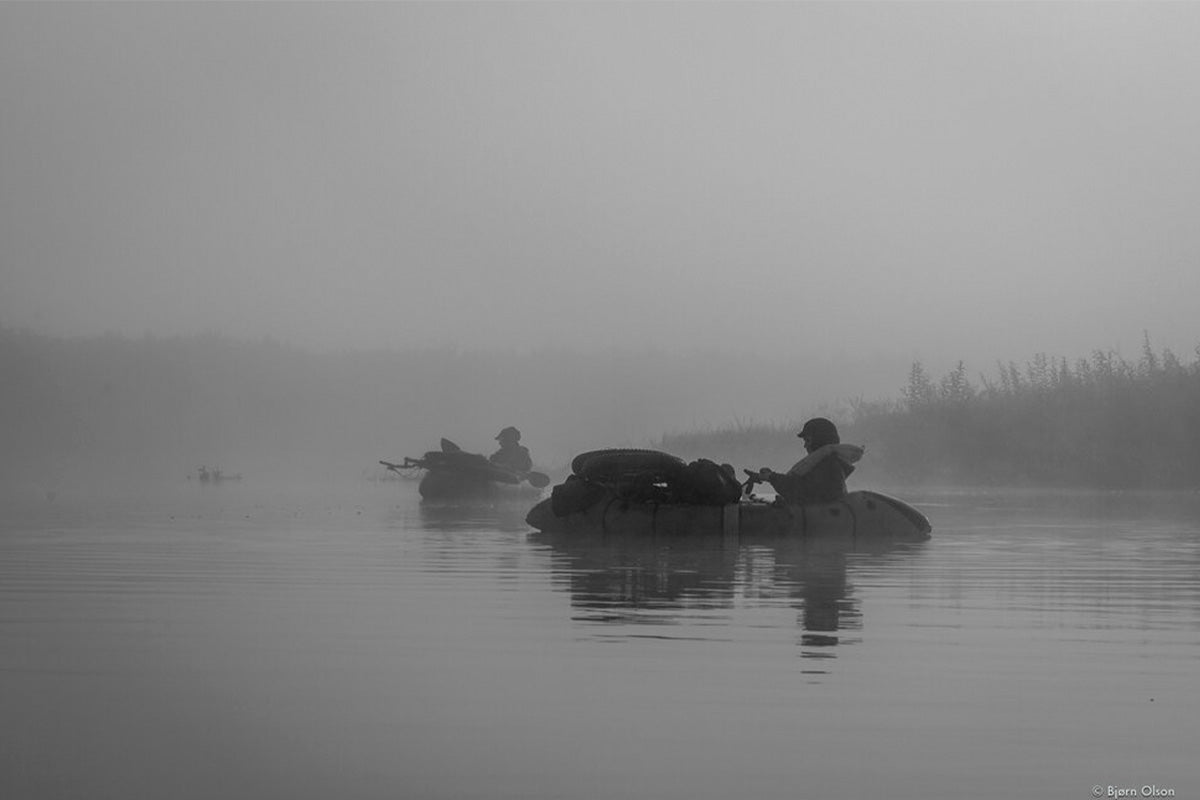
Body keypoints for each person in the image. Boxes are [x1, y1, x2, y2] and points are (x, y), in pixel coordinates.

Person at [757, 417, 863, 505]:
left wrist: (772, 477)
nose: (805, 445)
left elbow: (802, 491)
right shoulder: (826, 463)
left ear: (819, 441)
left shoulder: (828, 466)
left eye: (808, 440)